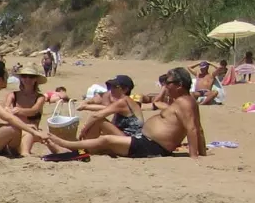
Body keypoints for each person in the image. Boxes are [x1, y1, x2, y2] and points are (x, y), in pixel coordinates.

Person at [46, 67, 205, 159]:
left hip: (151, 147)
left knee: (106, 140)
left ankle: (68, 145)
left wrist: (194, 157)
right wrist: (202, 153)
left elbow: (192, 129)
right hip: (146, 142)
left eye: (167, 83)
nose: (165, 86)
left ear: (179, 85)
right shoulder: (185, 101)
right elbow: (199, 128)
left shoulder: (184, 102)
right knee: (105, 143)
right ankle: (77, 151)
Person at [77, 75, 144, 139]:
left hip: (132, 140)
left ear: (125, 90)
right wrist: (86, 104)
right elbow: (104, 106)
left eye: (115, 86)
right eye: (110, 86)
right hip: (128, 138)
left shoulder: (123, 102)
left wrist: (83, 131)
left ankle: (88, 147)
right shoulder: (125, 101)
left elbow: (95, 116)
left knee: (99, 121)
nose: (111, 89)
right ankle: (89, 146)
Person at [6, 67, 48, 154]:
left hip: (31, 130)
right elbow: (6, 109)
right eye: (24, 76)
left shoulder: (40, 97)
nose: (27, 79)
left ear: (35, 79)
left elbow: (34, 110)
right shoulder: (13, 95)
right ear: (21, 78)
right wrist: (10, 111)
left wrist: (18, 111)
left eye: (31, 77)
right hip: (15, 129)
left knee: (24, 151)